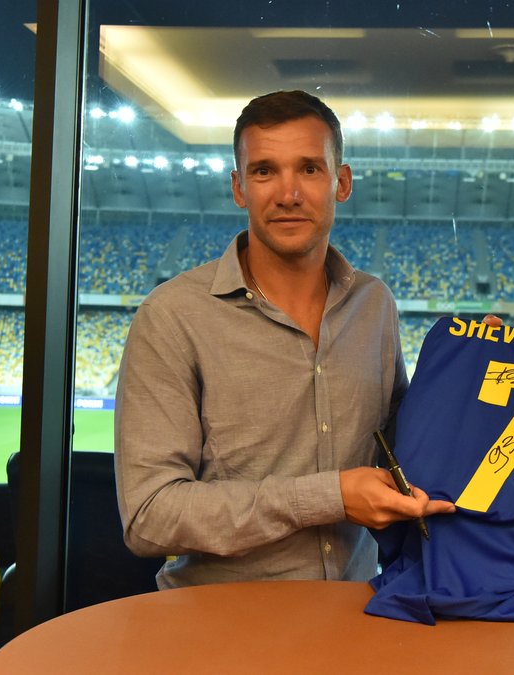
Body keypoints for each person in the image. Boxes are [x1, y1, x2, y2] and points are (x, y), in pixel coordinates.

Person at [114, 90, 455, 589]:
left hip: (355, 610)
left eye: (309, 169)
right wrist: (328, 497)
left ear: (342, 182)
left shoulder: (373, 305)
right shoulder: (172, 316)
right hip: (219, 621)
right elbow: (150, 515)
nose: (288, 194)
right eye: (264, 171)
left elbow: (400, 451)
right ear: (239, 188)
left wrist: (467, 371)